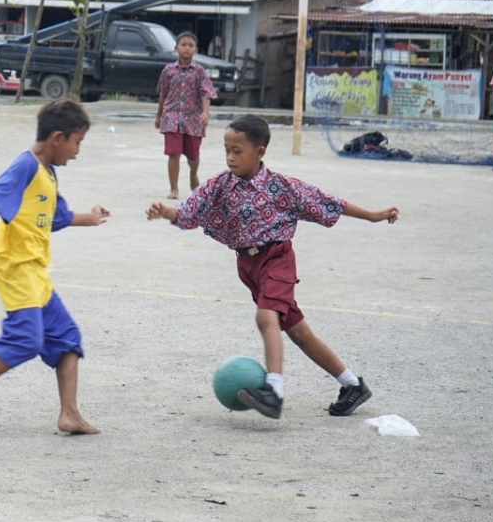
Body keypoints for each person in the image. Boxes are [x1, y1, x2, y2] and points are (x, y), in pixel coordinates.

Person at [146, 114, 399, 420]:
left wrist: (373, 215)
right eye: (226, 149)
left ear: (260, 151)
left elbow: (328, 202)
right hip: (248, 266)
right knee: (299, 332)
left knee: (266, 317)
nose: (230, 157)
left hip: (277, 259)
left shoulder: (282, 187)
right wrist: (167, 212)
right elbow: (189, 211)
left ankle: (274, 391)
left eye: (237, 151)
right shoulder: (218, 186)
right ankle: (352, 384)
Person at [0, 99, 110, 433]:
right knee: (27, 340)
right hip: (14, 265)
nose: (77, 152)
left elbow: (54, 217)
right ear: (57, 138)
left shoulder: (48, 173)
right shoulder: (27, 165)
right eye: (77, 143)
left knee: (66, 337)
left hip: (34, 268)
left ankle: (70, 414)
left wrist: (89, 219)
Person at [155, 32, 216, 200]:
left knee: (193, 156)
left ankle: (193, 174)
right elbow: (163, 93)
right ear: (176, 48)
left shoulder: (200, 71)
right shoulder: (168, 71)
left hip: (193, 119)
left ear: (195, 50)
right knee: (173, 153)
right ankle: (174, 188)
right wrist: (159, 116)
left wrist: (205, 112)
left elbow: (206, 93)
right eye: (184, 44)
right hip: (172, 117)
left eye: (191, 45)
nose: (187, 48)